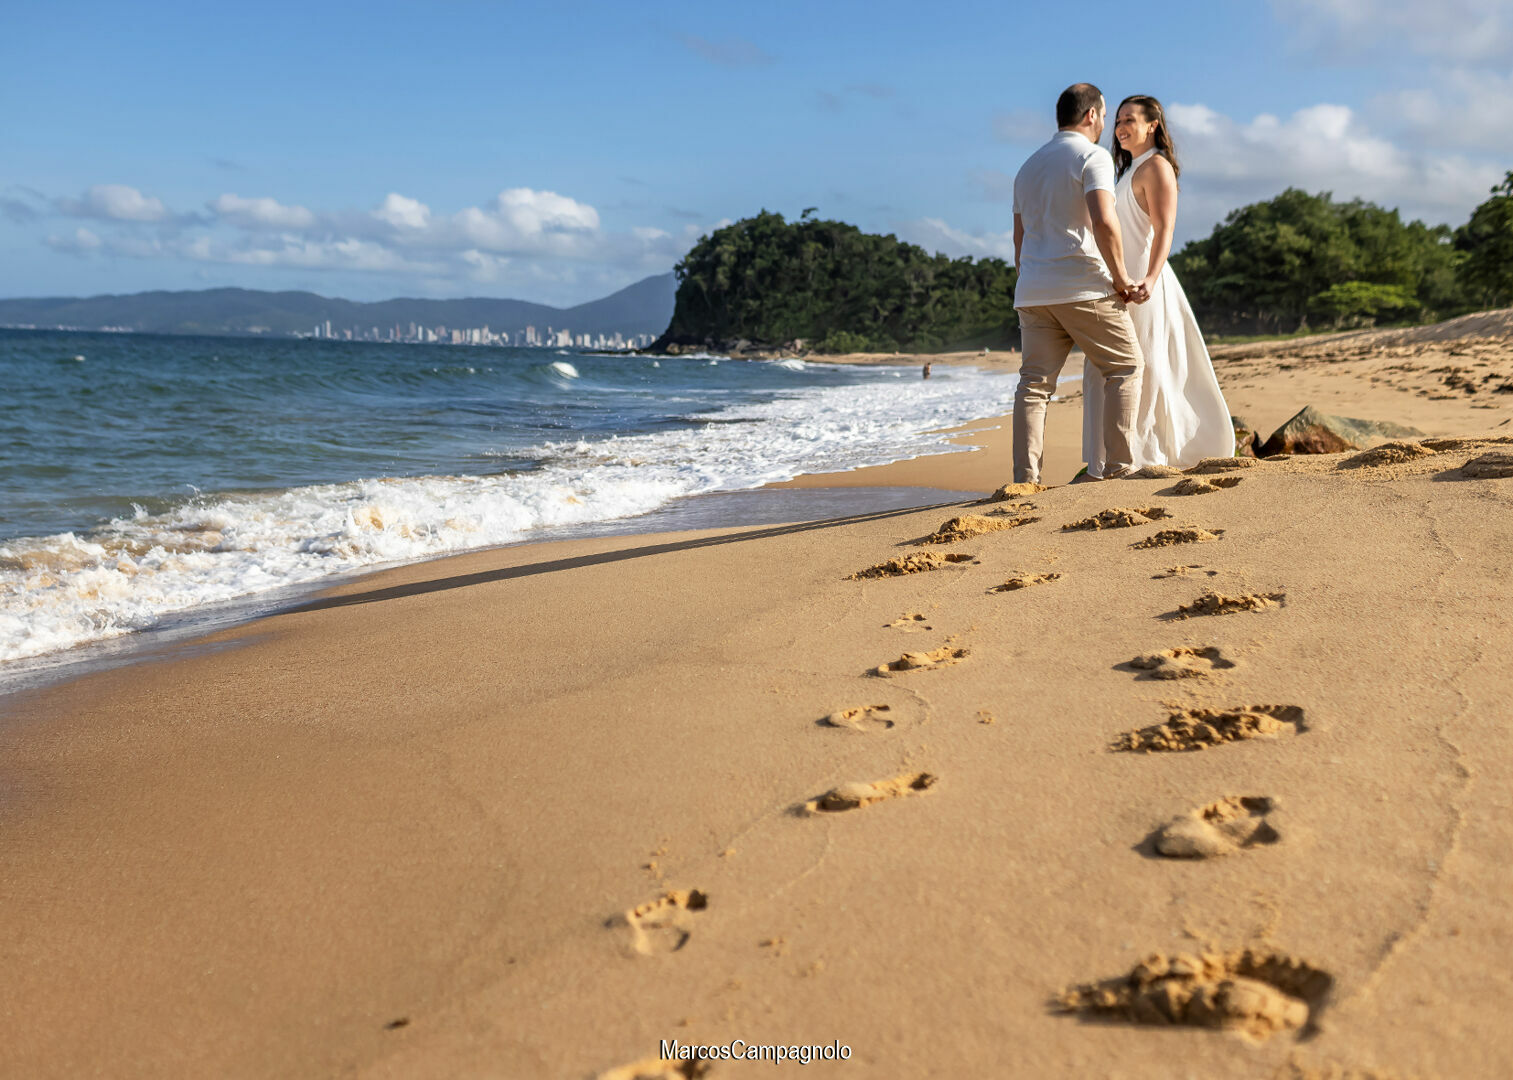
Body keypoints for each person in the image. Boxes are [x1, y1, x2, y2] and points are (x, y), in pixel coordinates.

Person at [1081, 95, 1234, 476]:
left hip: (1146, 285)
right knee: (1112, 370)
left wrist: (1148, 278)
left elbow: (1165, 230)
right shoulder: (1127, 172)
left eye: (1130, 119)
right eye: (1117, 121)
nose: (1120, 127)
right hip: (1118, 285)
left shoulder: (1157, 167)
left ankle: (1145, 455)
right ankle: (1115, 456)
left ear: (1153, 125)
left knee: (1144, 369)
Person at [1011, 82, 1146, 485]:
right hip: (1082, 285)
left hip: (1034, 289)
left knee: (1034, 386)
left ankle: (1024, 481)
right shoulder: (1092, 156)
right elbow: (1104, 221)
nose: (1105, 123)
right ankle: (1121, 469)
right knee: (1124, 367)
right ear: (1091, 115)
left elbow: (1019, 240)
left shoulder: (1027, 167)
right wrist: (1121, 277)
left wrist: (1033, 279)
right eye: (1105, 115)